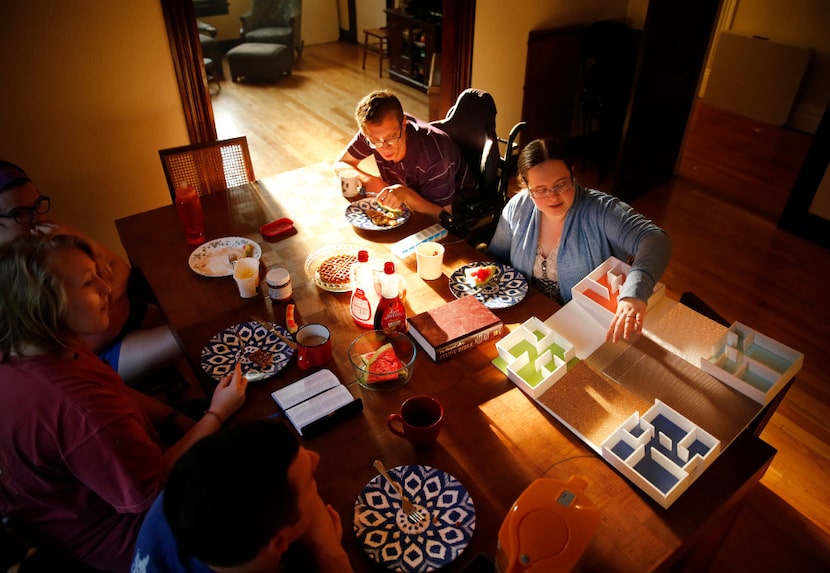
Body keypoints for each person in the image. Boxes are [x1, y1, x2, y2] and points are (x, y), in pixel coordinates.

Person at [0, 233, 247, 572]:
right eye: (89, 282)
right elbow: (154, 483)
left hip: (102, 488)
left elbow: (115, 388)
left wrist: (179, 419)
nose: (107, 288)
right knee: (280, 474)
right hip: (138, 538)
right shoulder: (80, 410)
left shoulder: (30, 348)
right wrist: (217, 414)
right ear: (44, 305)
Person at [0, 160, 182, 385]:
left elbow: (120, 267)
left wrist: (104, 298)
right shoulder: (13, 281)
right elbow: (64, 348)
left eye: (38, 204)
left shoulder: (51, 236)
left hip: (130, 314)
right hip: (105, 354)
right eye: (20, 213)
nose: (37, 217)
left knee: (189, 315)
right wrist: (108, 298)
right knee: (189, 336)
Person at [488, 138, 672, 343]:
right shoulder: (519, 207)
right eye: (540, 190)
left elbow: (655, 239)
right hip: (529, 319)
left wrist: (634, 293)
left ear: (572, 173)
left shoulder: (601, 210)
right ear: (525, 184)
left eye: (561, 184)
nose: (553, 196)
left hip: (588, 329)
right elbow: (497, 259)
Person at [131, 420, 354, 573]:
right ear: (277, 543)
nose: (315, 458)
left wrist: (331, 555)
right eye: (310, 481)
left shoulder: (189, 490)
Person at [334, 89, 478, 218]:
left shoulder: (433, 157)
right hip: (411, 202)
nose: (385, 147)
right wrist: (370, 180)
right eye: (375, 141)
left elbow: (444, 217)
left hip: (460, 208)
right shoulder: (374, 132)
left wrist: (407, 195)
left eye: (392, 137)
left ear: (404, 123)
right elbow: (341, 164)